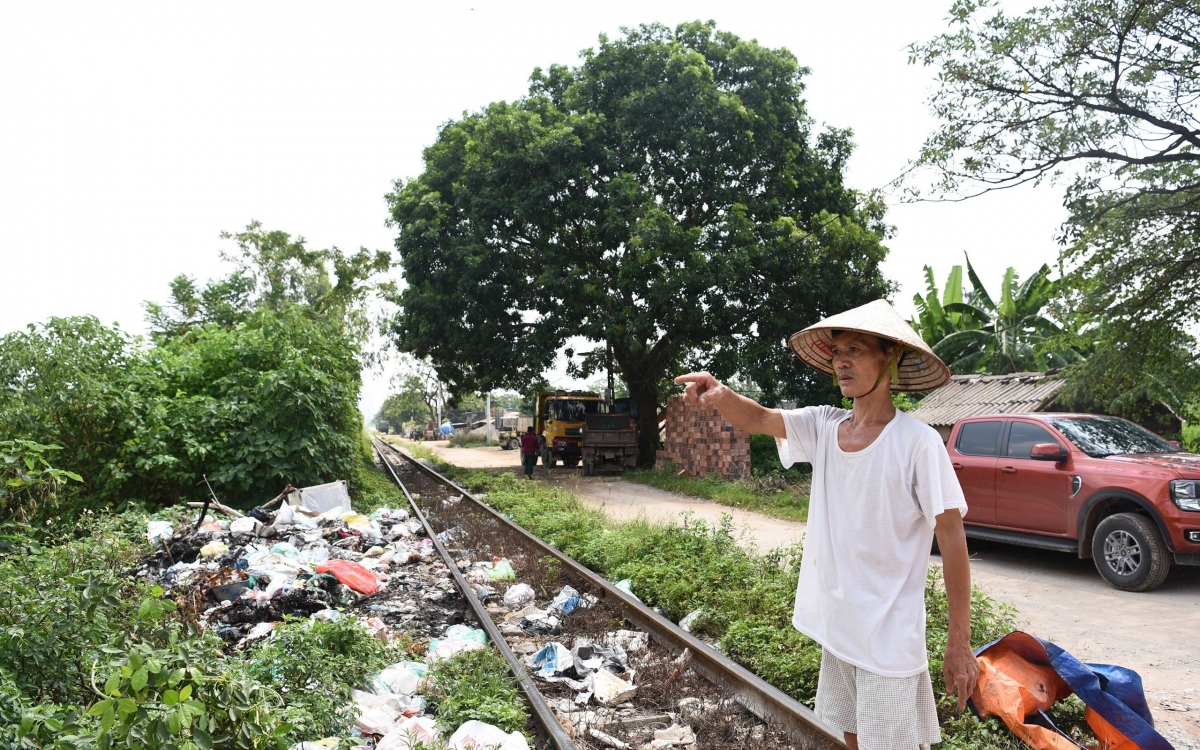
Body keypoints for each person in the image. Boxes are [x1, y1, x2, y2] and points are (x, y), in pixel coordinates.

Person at [675, 299, 979, 750]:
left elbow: (952, 541)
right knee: (847, 740)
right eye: (837, 351)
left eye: (855, 349)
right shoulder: (824, 425)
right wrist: (719, 393)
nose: (841, 361)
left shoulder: (917, 444)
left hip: (889, 641)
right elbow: (759, 418)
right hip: (839, 631)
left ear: (889, 357)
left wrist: (959, 642)